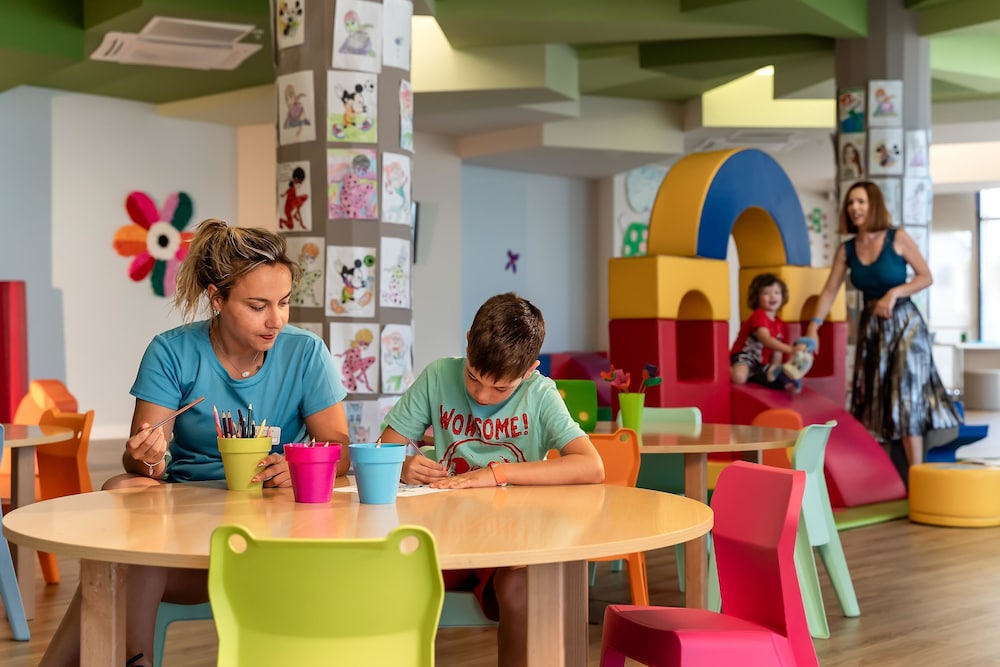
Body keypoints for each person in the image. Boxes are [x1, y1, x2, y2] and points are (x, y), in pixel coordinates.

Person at [41, 219, 350, 667]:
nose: (276, 320)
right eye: (258, 305)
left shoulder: (305, 353)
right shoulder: (171, 351)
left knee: (116, 567)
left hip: (277, 533)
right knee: (124, 496)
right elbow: (144, 466)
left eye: (283, 302)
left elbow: (339, 449)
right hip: (185, 534)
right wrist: (146, 457)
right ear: (216, 298)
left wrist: (303, 466)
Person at [376, 292, 605, 667]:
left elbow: (591, 466)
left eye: (500, 388)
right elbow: (384, 448)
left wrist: (497, 474)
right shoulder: (438, 376)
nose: (481, 395)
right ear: (468, 342)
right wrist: (401, 466)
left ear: (529, 370)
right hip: (441, 537)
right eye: (472, 377)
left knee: (521, 591)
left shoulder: (539, 393)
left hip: (510, 541)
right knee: (385, 577)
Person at [805, 181, 959, 470]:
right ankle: (885, 477)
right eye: (851, 203)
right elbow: (829, 291)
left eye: (861, 201)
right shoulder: (847, 249)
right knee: (874, 399)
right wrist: (813, 326)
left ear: (873, 205)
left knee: (906, 395)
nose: (854, 208)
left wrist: (894, 293)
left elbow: (925, 276)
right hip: (872, 327)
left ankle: (916, 475)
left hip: (905, 324)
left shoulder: (896, 237)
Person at [730, 273, 803, 388]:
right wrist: (791, 349)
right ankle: (726, 368)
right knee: (739, 377)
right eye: (766, 293)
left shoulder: (778, 323)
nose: (772, 296)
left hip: (761, 363)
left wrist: (774, 367)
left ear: (783, 296)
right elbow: (766, 340)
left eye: (777, 292)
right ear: (757, 297)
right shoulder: (759, 315)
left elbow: (777, 351)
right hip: (746, 355)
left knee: (779, 380)